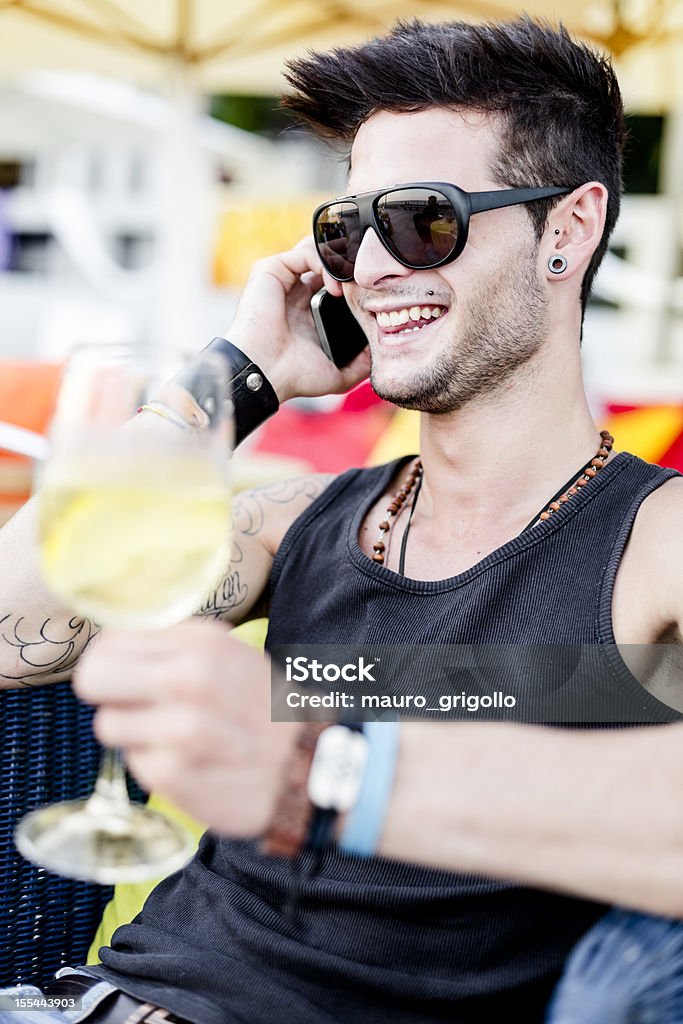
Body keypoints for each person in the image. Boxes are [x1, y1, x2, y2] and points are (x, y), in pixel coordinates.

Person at [1, 15, 683, 1024]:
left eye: (420, 219)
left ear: (567, 229)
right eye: (342, 229)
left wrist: (322, 775)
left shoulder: (653, 546)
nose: (367, 268)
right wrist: (236, 378)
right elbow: (11, 634)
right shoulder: (303, 519)